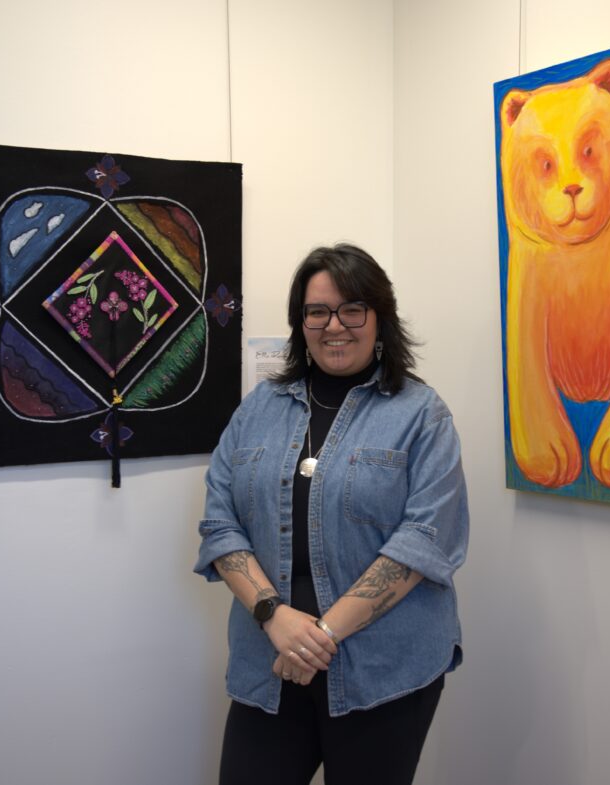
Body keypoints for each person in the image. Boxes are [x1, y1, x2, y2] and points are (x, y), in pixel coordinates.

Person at [194, 243, 469, 785]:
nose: (333, 325)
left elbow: (424, 541)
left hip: (381, 671)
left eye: (352, 310)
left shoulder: (422, 415)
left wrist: (317, 636)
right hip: (270, 662)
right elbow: (219, 525)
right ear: (301, 323)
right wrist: (275, 616)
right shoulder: (258, 410)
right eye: (317, 312)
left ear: (379, 318)